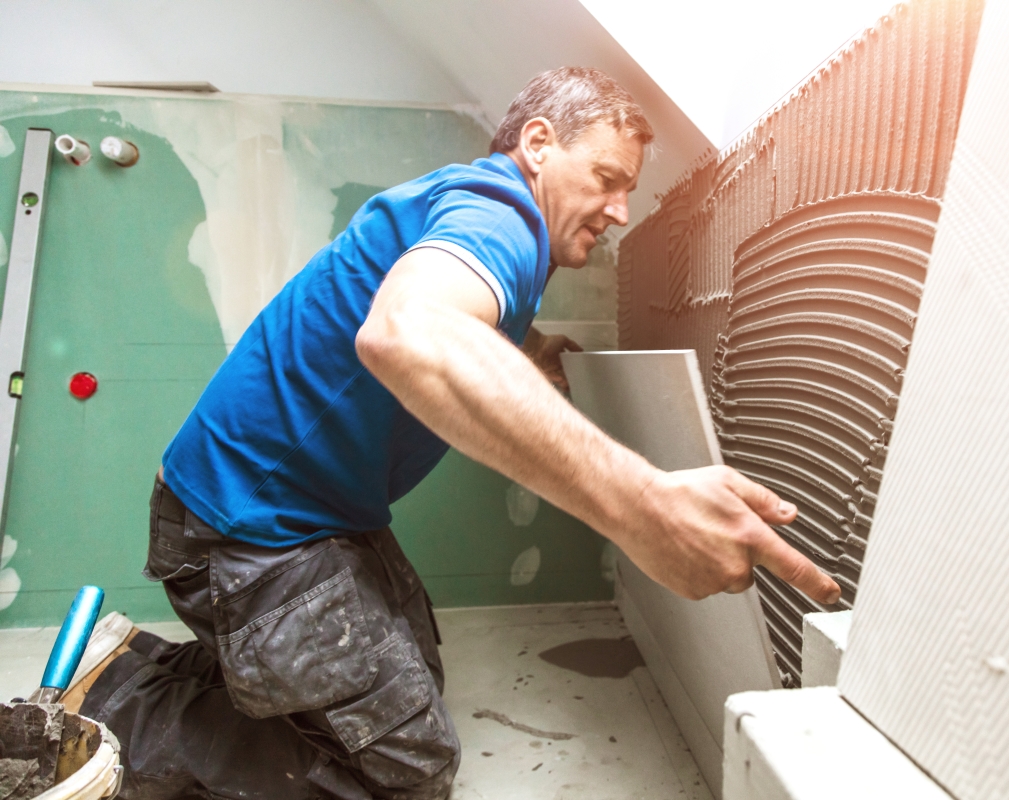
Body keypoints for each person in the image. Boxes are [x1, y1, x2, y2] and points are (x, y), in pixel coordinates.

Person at [58, 67, 840, 800]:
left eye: (629, 190)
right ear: (538, 144)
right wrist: (645, 507)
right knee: (408, 769)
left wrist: (530, 349)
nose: (620, 211)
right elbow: (407, 330)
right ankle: (117, 710)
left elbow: (453, 310)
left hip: (304, 511)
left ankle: (127, 665)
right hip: (244, 528)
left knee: (413, 681)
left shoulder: (485, 220)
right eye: (607, 179)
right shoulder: (500, 213)